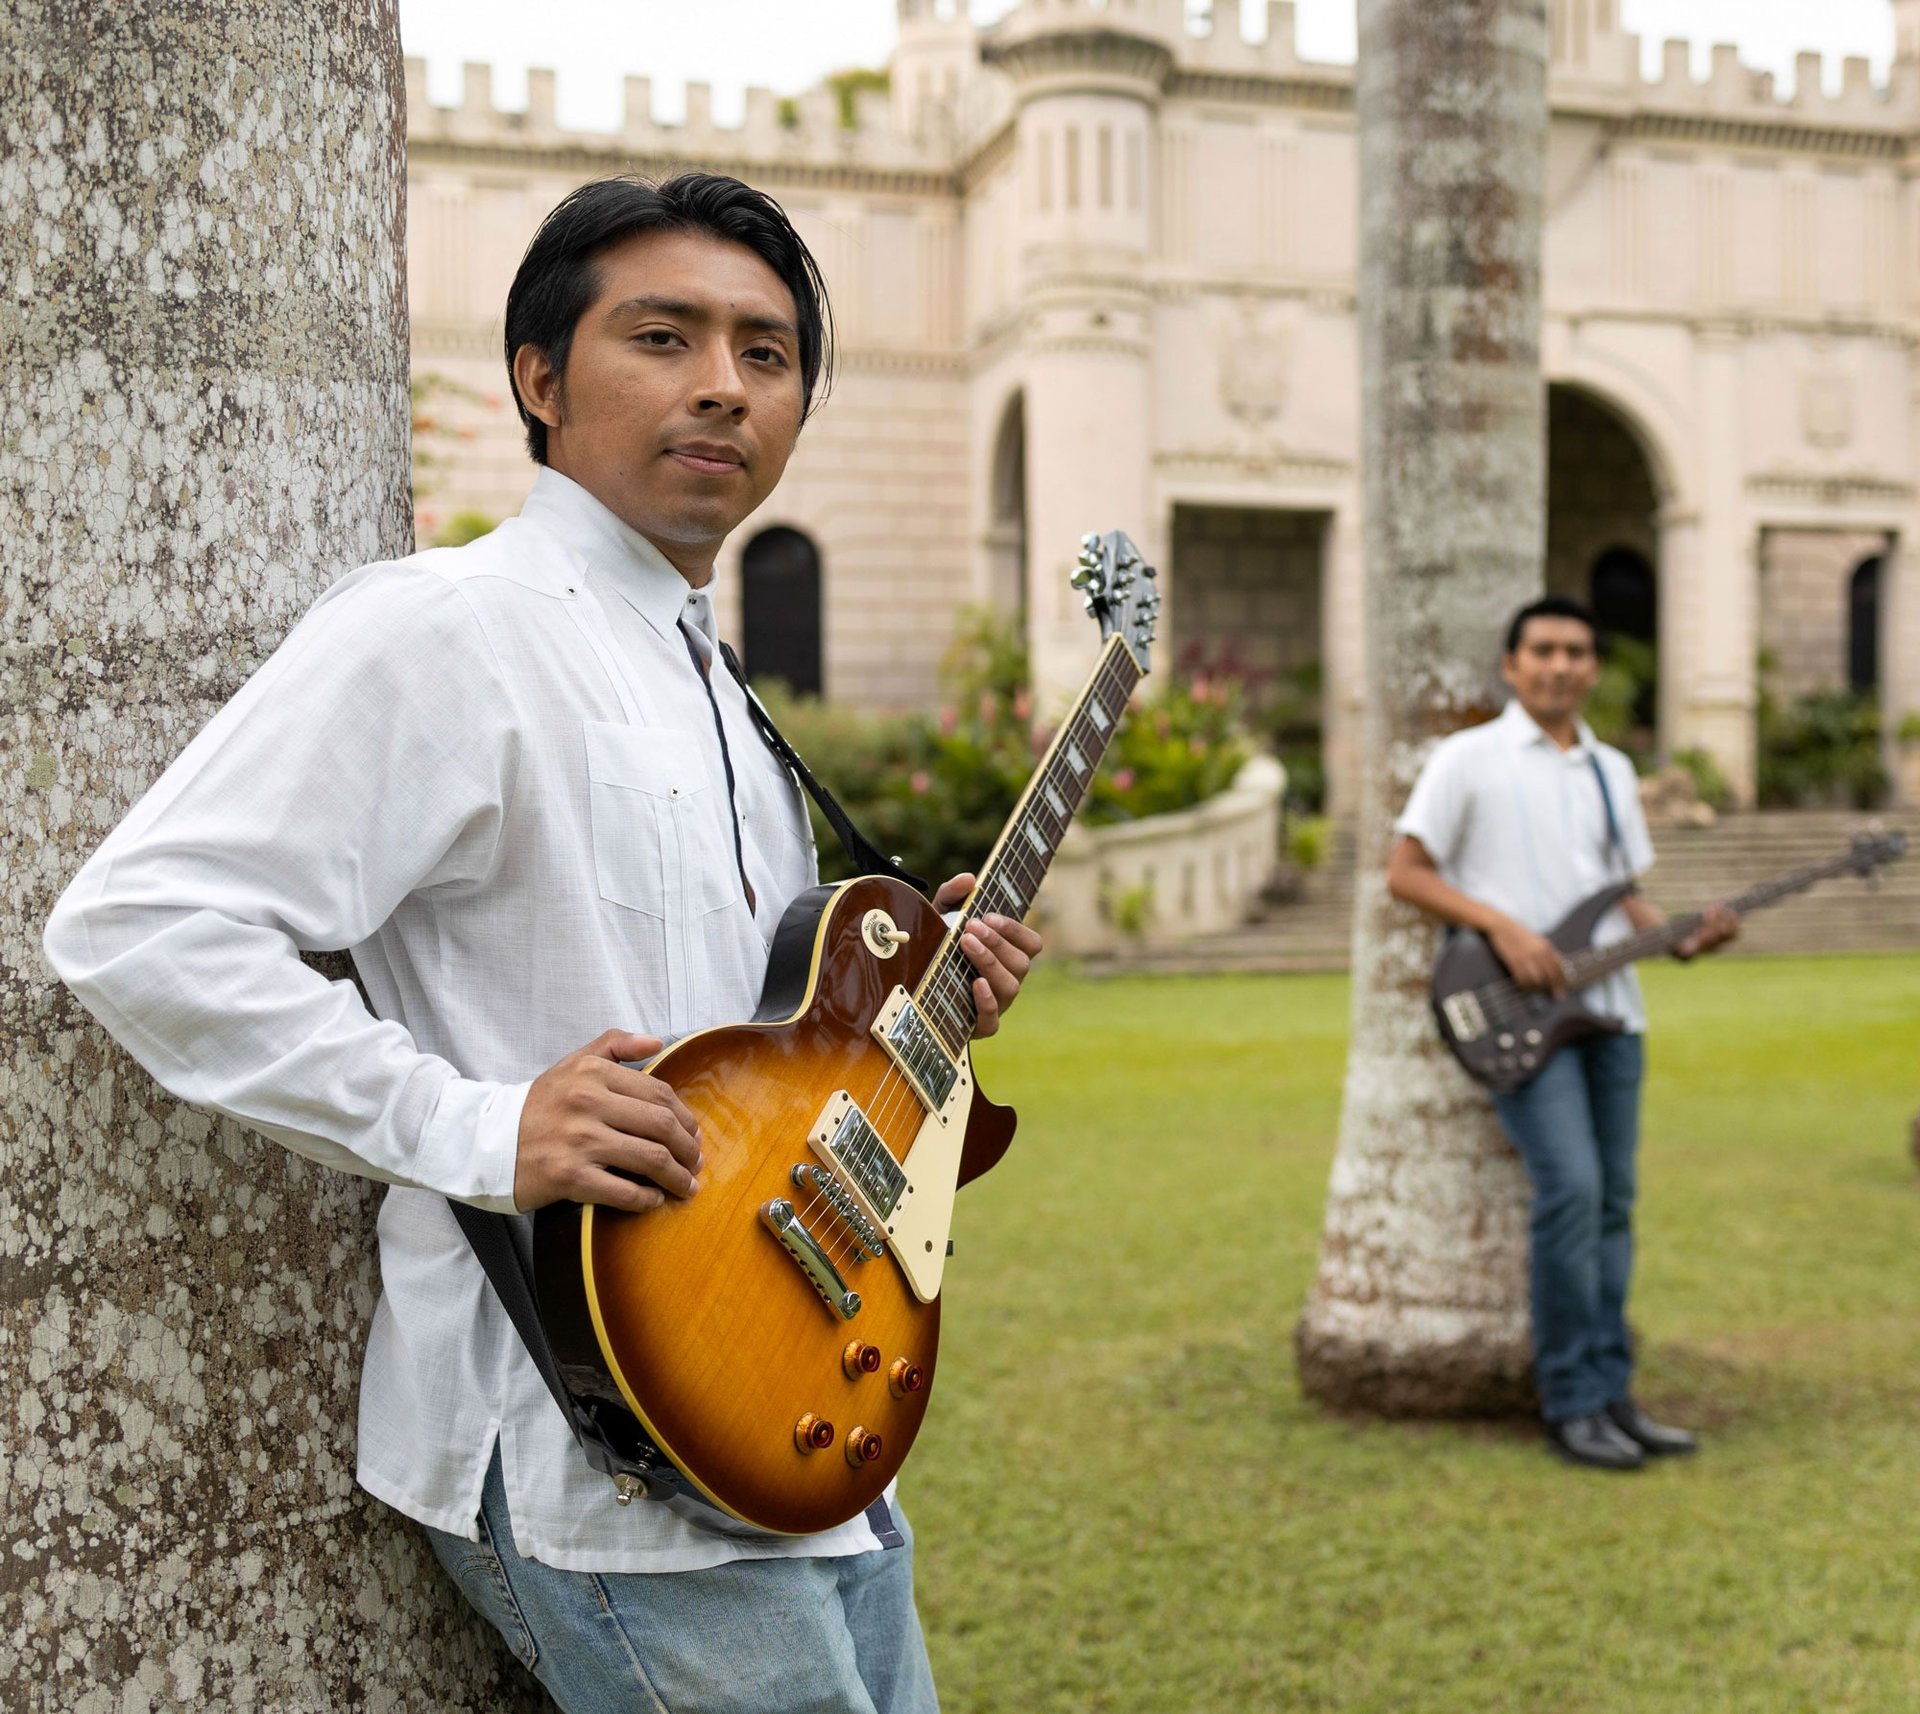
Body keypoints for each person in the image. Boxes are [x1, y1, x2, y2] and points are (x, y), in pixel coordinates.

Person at [44, 172, 1042, 1711]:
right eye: (664, 335)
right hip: (599, 1450)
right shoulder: (447, 626)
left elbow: (750, 1036)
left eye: (768, 354)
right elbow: (140, 924)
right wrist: (483, 1123)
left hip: (807, 1416)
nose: (724, 383)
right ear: (538, 376)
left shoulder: (718, 681)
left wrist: (911, 1005)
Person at [1385, 595, 1737, 1472]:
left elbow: (1619, 893)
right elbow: (1405, 871)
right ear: (1511, 665)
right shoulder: (1469, 759)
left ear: (1591, 667)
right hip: (1521, 1019)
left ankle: (1615, 1395)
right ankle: (1571, 1402)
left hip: (1613, 1011)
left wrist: (1681, 934)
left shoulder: (1613, 770)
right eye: (1543, 649)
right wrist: (1501, 927)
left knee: (1615, 1205)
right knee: (1572, 1193)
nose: (1561, 665)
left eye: (1578, 651)